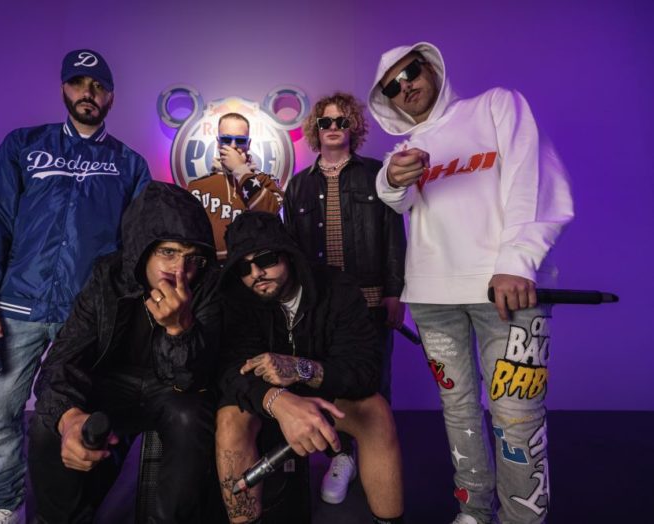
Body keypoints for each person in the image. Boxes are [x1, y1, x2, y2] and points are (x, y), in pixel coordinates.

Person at [368, 42, 574, 524]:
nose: (405, 87)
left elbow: (534, 178)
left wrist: (518, 261)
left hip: (506, 291)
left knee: (516, 417)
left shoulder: (496, 105)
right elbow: (393, 196)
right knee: (458, 411)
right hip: (432, 298)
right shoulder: (405, 149)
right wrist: (391, 177)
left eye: (411, 73)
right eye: (392, 87)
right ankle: (474, 512)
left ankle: (521, 519)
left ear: (431, 67)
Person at [0, 49, 151, 524]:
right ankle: (4, 506)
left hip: (84, 316)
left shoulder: (129, 165)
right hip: (16, 309)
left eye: (98, 86)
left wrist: (127, 313)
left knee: (73, 415)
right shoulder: (22, 147)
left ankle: (68, 510)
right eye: (78, 83)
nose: (88, 93)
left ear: (111, 97)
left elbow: (138, 248)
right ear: (64, 88)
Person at [28, 181, 221, 523]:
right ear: (143, 249)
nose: (180, 271)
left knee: (192, 416)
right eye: (168, 252)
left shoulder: (207, 284)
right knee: (48, 422)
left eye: (192, 258)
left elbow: (197, 379)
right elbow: (62, 360)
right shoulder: (107, 276)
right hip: (109, 387)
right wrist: (68, 419)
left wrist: (179, 330)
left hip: (173, 390)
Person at [215, 211, 405, 524]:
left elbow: (365, 370)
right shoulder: (237, 300)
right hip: (268, 398)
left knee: (376, 413)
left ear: (287, 254)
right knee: (230, 420)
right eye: (244, 268)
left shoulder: (337, 289)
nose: (256, 273)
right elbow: (231, 370)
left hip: (326, 391)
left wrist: (301, 368)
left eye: (265, 259)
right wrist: (278, 401)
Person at [283, 92, 407, 505]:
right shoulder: (298, 185)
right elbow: (292, 252)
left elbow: (394, 237)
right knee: (329, 381)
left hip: (371, 301)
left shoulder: (377, 175)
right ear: (316, 130)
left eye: (342, 121)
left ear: (353, 127)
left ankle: (377, 457)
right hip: (321, 305)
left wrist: (395, 292)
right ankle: (342, 457)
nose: (333, 127)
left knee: (374, 384)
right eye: (326, 122)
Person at [187, 112, 283, 261]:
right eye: (226, 139)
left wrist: (240, 170)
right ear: (218, 143)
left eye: (240, 140)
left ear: (248, 144)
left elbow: (271, 216)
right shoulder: (198, 186)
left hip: (253, 266)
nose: (233, 146)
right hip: (212, 267)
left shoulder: (266, 181)